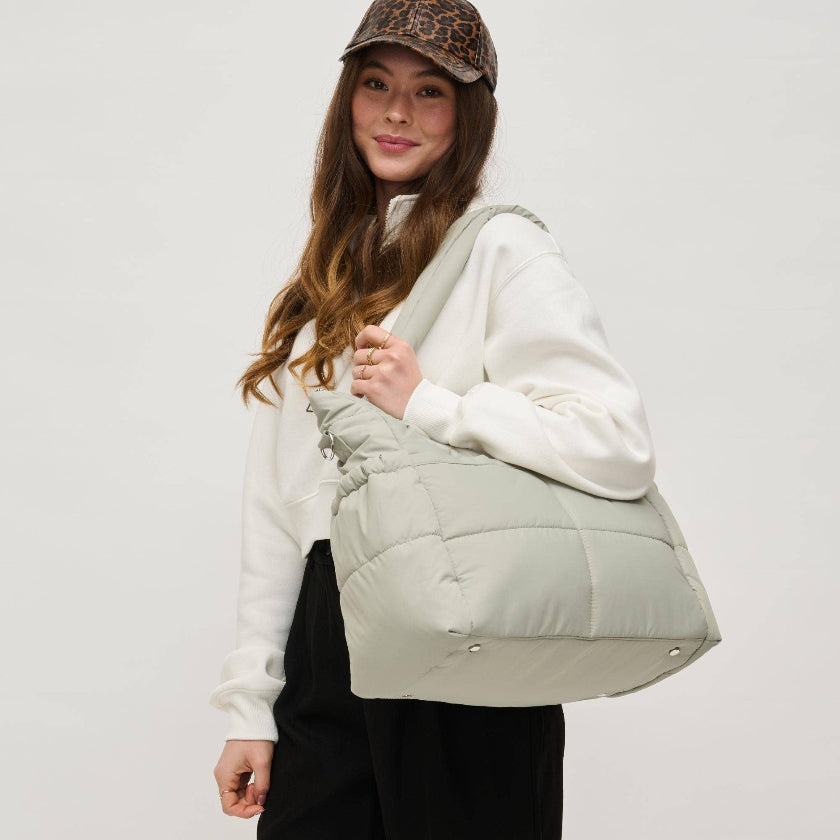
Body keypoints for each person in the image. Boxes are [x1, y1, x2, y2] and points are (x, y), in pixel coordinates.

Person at [209, 1, 657, 837]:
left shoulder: (502, 252)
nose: (397, 113)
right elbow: (279, 513)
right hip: (328, 632)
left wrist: (430, 405)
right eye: (375, 84)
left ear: (470, 113)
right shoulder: (324, 286)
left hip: (465, 638)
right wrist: (251, 707)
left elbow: (617, 445)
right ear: (347, 100)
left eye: (431, 92)